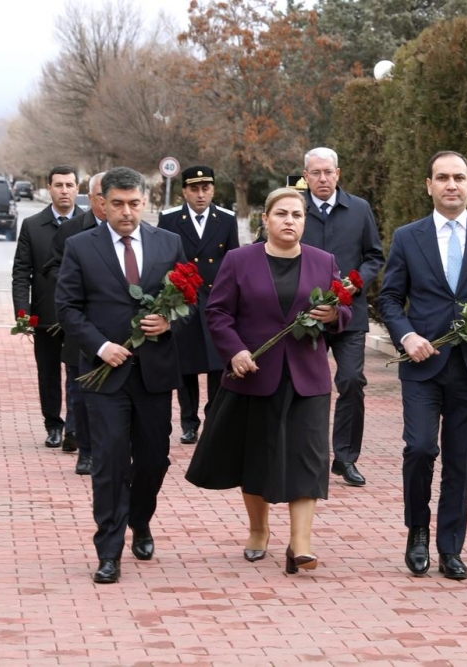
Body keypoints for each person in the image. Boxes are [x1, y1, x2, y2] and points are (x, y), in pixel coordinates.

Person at [185, 187, 351, 575]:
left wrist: (333, 316)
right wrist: (235, 351)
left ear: (305, 221)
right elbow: (218, 313)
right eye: (281, 214)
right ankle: (258, 530)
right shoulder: (239, 260)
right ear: (265, 219)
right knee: (257, 455)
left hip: (307, 377)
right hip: (255, 374)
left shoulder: (323, 261)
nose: (289, 221)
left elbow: (343, 311)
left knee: (308, 456)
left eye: (297, 215)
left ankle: (301, 544)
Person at [377, 151, 467, 580]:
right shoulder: (408, 237)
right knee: (420, 448)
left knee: (460, 460)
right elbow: (389, 298)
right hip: (423, 364)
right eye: (442, 178)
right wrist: (407, 336)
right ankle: (417, 530)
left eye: (459, 177)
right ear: (429, 186)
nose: (451, 185)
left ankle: (450, 548)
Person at [55, 167, 188, 584]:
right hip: (103, 374)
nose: (126, 212)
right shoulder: (80, 247)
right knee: (110, 461)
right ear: (102, 203)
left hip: (154, 374)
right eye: (117, 204)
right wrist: (100, 346)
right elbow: (67, 307)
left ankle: (139, 518)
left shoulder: (168, 243)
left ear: (145, 202)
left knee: (154, 459)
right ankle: (109, 550)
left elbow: (191, 299)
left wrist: (169, 321)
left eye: (134, 204)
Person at [300, 147, 385, 488]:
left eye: (328, 172)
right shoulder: (295, 210)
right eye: (316, 173)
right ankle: (309, 455)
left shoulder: (359, 209)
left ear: (338, 174)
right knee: (308, 385)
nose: (323, 178)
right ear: (305, 176)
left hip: (350, 314)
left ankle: (346, 458)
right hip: (306, 317)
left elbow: (374, 256)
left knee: (351, 381)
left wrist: (357, 281)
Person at [157, 166, 240, 445]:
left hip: (217, 300)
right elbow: (163, 259)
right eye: (194, 189)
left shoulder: (226, 219)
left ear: (213, 190)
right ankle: (189, 422)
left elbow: (233, 261)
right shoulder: (170, 219)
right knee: (186, 364)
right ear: (184, 191)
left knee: (218, 364)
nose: (200, 194)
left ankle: (212, 418)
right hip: (185, 301)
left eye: (206, 188)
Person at [12, 165, 79, 450]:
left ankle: (74, 428)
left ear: (77, 189)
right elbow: (21, 273)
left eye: (69, 185)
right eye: (59, 185)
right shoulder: (32, 225)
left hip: (79, 316)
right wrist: (23, 314)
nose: (64, 190)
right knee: (48, 373)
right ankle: (53, 425)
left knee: (77, 373)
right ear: (49, 188)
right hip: (45, 315)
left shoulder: (89, 224)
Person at [44, 171, 106, 476]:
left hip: (121, 326)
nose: (109, 203)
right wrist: (77, 284)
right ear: (91, 198)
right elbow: (52, 267)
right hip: (81, 324)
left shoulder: (135, 232)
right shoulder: (71, 230)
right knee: (80, 390)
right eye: (103, 196)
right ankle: (85, 450)